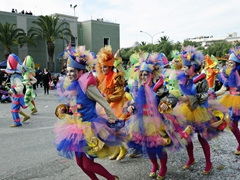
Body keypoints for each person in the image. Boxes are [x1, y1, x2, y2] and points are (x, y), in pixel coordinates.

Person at [54, 45, 125, 180]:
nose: (69, 74)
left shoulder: (87, 86)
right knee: (79, 163)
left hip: (89, 128)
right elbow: (73, 107)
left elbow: (103, 101)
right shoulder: (72, 85)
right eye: (68, 71)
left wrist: (112, 118)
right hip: (75, 128)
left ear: (80, 71)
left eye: (73, 71)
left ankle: (112, 178)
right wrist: (64, 110)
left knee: (87, 164)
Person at [123, 52, 190, 180]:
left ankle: (163, 167)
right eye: (141, 74)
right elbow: (133, 102)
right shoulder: (138, 89)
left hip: (158, 122)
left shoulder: (158, 88)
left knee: (159, 147)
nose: (143, 76)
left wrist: (166, 103)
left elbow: (171, 97)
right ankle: (154, 165)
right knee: (149, 148)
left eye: (146, 74)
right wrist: (131, 107)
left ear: (151, 75)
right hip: (142, 122)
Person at [176, 46, 224, 175]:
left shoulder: (202, 80)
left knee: (202, 137)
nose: (184, 69)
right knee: (187, 136)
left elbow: (204, 97)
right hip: (186, 110)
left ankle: (209, 163)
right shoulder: (184, 79)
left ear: (193, 68)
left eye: (186, 67)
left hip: (201, 111)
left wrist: (188, 97)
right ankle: (191, 158)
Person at [95, 46, 128, 161]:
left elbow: (120, 93)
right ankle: (116, 149)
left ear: (110, 66)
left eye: (106, 67)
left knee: (116, 129)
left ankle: (123, 148)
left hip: (117, 105)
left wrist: (108, 99)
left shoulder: (116, 77)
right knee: (109, 130)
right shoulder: (100, 77)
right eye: (102, 67)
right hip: (106, 106)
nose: (104, 69)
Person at [215, 46, 240, 155]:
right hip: (231, 101)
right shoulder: (229, 75)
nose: (229, 64)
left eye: (231, 62)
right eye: (228, 62)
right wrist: (211, 93)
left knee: (233, 124)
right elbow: (223, 89)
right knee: (233, 125)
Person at [5, 54, 28, 127]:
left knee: (14, 110)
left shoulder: (16, 78)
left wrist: (13, 90)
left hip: (17, 96)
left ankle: (17, 122)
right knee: (15, 109)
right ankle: (18, 121)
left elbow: (20, 87)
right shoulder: (14, 77)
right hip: (16, 96)